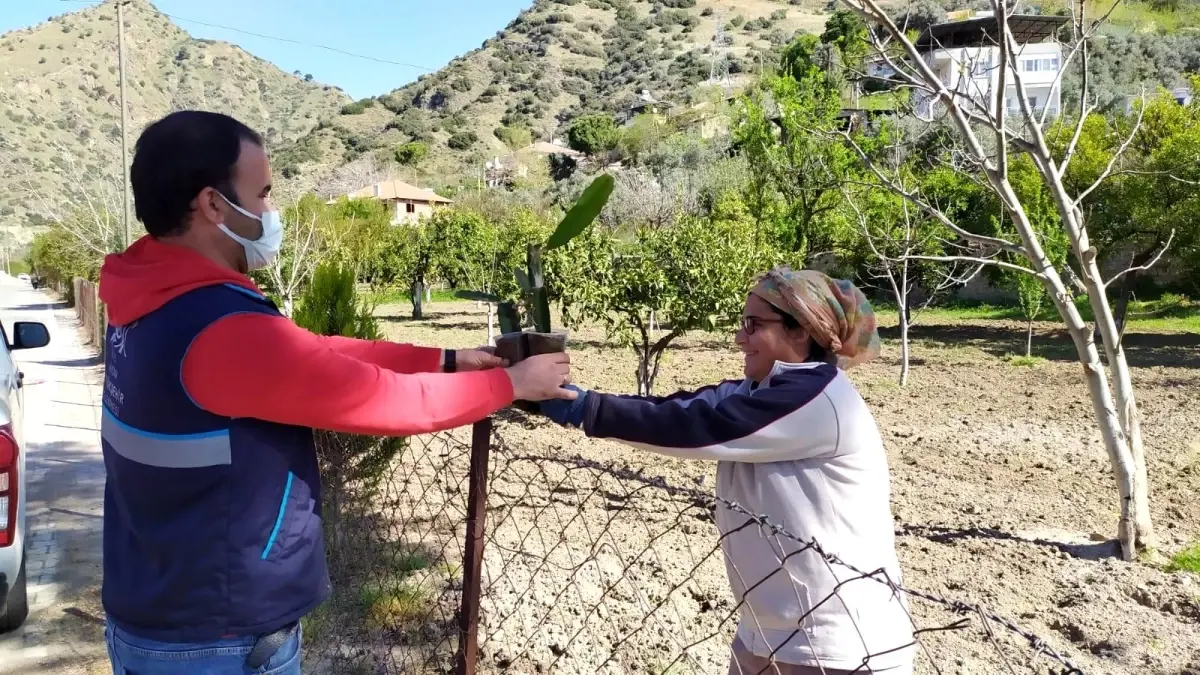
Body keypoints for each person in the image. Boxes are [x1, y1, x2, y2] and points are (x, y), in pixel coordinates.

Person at [97, 110, 576, 675]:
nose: (271, 212)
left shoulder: (149, 296)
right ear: (213, 205)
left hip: (153, 614)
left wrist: (447, 360)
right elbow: (386, 401)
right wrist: (510, 384)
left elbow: (313, 353)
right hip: (219, 639)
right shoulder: (220, 328)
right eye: (264, 194)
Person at [539, 267, 914, 675]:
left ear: (801, 331)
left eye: (753, 325)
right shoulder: (760, 390)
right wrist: (572, 398)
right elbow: (677, 408)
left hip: (838, 643)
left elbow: (697, 426)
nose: (739, 337)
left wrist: (583, 409)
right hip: (768, 630)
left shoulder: (820, 400)